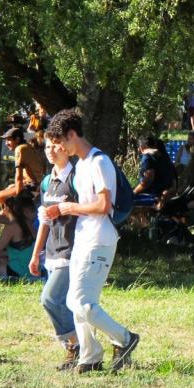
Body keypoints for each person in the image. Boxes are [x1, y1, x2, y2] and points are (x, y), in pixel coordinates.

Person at [44, 109, 140, 374]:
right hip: (83, 240)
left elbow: (103, 205)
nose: (59, 147)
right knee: (79, 303)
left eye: (61, 141)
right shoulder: (81, 165)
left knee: (79, 302)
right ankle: (90, 356)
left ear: (72, 134)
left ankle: (124, 338)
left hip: (100, 241)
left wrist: (70, 208)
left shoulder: (99, 162)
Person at [28, 138, 80, 369]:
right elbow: (45, 222)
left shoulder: (77, 178)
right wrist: (35, 253)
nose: (50, 150)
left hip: (73, 250)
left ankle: (76, 345)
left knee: (49, 299)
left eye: (55, 145)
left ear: (66, 148)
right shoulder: (48, 181)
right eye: (47, 146)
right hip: (51, 252)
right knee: (67, 303)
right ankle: (80, 348)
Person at [0, 126, 47, 210]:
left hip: (33, 186)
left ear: (17, 139)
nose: (6, 143)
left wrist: (18, 196)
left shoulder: (20, 149)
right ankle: (11, 214)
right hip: (36, 183)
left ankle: (13, 218)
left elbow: (18, 176)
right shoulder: (27, 146)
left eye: (9, 140)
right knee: (10, 187)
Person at [0, 192, 37, 279]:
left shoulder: (13, 227)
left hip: (19, 272)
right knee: (0, 259)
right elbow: (23, 252)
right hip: (32, 271)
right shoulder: (31, 224)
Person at [133, 136, 176, 201]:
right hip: (165, 195)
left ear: (141, 148)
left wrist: (134, 192)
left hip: (152, 196)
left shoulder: (147, 157)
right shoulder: (164, 156)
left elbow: (148, 180)